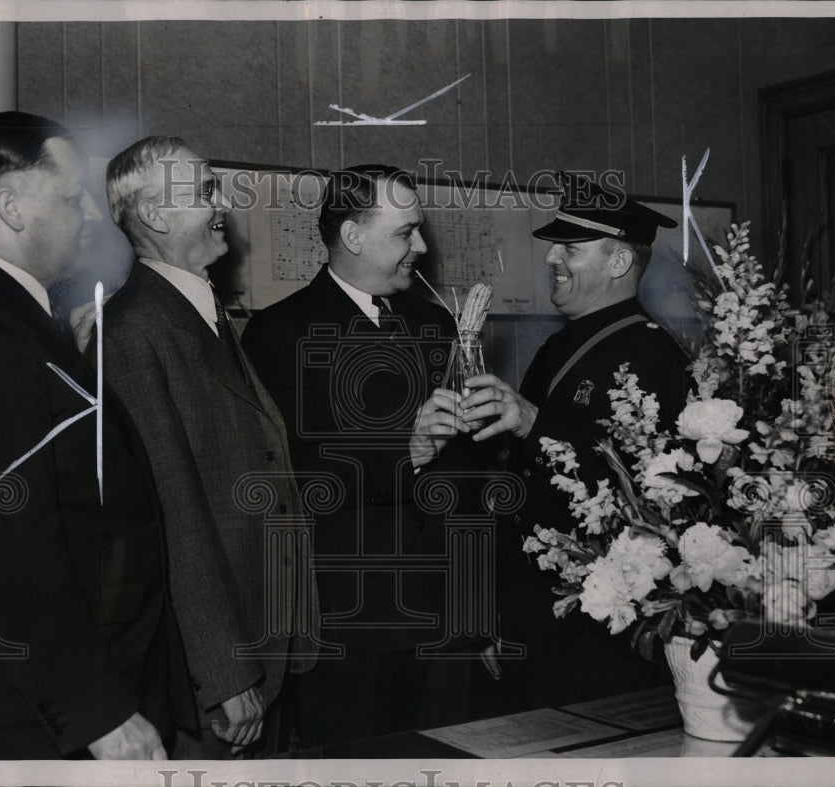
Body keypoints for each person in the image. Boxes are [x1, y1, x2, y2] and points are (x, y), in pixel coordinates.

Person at [0, 112, 197, 759]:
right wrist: (99, 715)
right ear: (12, 207)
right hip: (17, 713)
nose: (90, 215)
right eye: (70, 198)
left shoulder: (10, 315)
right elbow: (7, 545)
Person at [241, 165, 485, 748]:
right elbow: (290, 478)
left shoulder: (440, 326)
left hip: (448, 617)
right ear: (352, 236)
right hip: (352, 622)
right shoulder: (278, 333)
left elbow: (475, 473)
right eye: (405, 233)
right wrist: (409, 449)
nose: (421, 247)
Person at [98, 136, 317, 758]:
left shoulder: (198, 313)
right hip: (220, 677)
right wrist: (224, 673)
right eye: (205, 191)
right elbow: (173, 510)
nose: (225, 203)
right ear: (157, 216)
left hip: (262, 644)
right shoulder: (136, 331)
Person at [461, 174, 690, 711]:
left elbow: (643, 497)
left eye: (571, 247)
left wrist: (532, 422)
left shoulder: (653, 355)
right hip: (534, 606)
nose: (551, 259)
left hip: (595, 624)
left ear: (618, 263)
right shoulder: (562, 344)